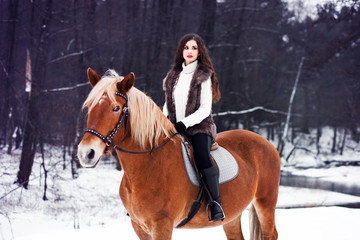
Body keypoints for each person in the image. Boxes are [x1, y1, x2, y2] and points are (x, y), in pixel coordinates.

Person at [163, 33, 224, 222]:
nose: (190, 51)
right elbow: (167, 104)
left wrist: (184, 123)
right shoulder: (173, 76)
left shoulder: (203, 75)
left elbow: (206, 108)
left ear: (199, 52)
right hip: (174, 126)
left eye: (194, 48)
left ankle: (215, 203)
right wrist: (165, 120)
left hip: (199, 127)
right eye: (186, 47)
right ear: (181, 51)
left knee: (201, 156)